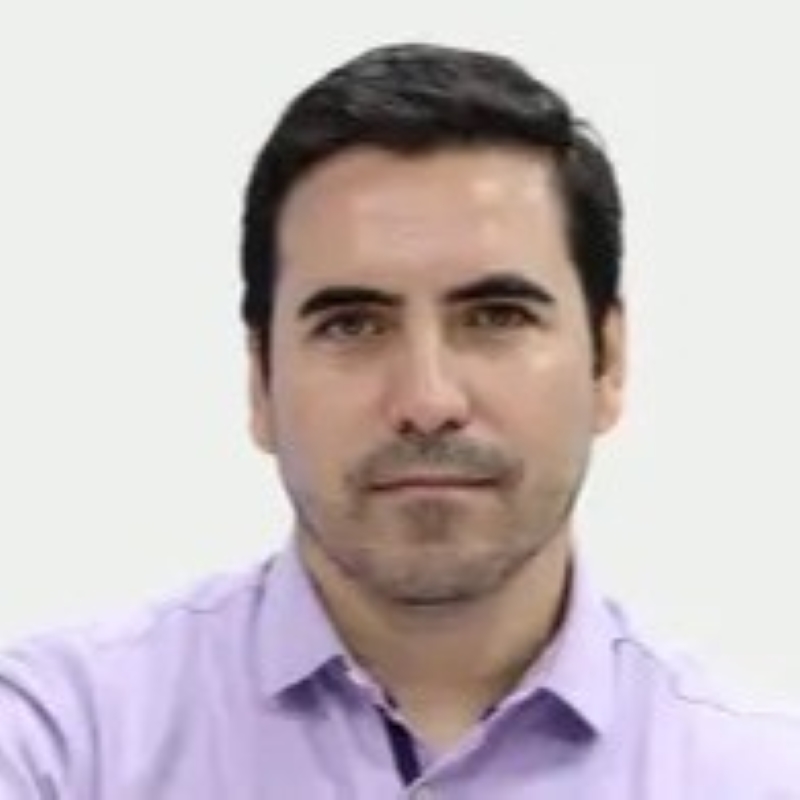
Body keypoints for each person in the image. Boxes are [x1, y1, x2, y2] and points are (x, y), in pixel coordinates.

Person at [1, 42, 798, 799]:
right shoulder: (60, 746)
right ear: (260, 382)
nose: (428, 401)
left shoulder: (759, 774)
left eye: (497, 317)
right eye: (352, 324)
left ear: (608, 360)